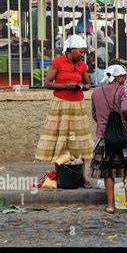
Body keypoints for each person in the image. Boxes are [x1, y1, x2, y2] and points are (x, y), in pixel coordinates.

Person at [35, 34, 94, 188]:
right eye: (81, 52)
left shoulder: (82, 65)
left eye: (84, 53)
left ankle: (82, 177)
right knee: (60, 140)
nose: (82, 55)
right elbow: (47, 83)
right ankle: (61, 176)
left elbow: (88, 84)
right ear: (71, 49)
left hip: (77, 106)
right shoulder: (58, 62)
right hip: (60, 105)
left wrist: (81, 87)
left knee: (79, 141)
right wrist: (65, 86)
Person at [90, 65, 127, 214]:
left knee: (108, 172)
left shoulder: (96, 92)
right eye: (124, 77)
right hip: (123, 137)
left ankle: (110, 205)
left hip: (103, 138)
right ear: (119, 77)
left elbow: (94, 114)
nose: (125, 80)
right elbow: (125, 109)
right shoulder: (124, 90)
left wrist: (104, 126)